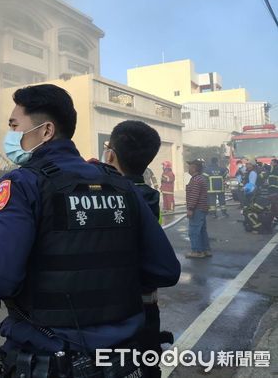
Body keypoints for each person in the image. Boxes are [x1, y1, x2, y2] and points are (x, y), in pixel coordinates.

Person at [0, 84, 181, 377]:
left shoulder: (22, 185)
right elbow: (165, 270)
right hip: (125, 361)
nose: (10, 135)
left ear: (46, 131)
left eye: (15, 126)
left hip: (51, 360)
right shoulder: (120, 185)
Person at [102, 120, 170, 378]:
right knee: (148, 365)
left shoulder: (105, 196)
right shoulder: (150, 197)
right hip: (147, 306)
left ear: (110, 153)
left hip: (113, 310)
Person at [185, 159, 210, 258]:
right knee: (202, 230)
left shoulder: (195, 180)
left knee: (194, 230)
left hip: (197, 209)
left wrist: (190, 209)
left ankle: (197, 251)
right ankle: (205, 250)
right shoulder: (200, 178)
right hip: (202, 208)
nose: (188, 168)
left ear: (194, 168)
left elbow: (194, 195)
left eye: (190, 166)